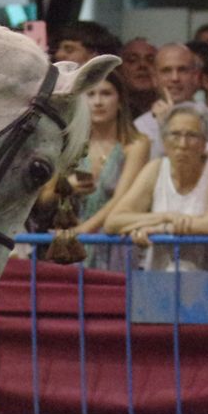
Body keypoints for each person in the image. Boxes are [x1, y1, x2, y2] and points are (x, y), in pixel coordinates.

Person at [42, 70, 149, 270]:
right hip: (69, 246)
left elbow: (122, 198)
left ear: (120, 101)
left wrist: (84, 231)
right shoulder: (69, 143)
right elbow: (43, 198)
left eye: (106, 94)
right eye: (90, 94)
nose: (98, 102)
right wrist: (67, 186)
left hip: (115, 242)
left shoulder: (136, 144)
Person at [107, 103, 208, 272]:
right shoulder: (156, 168)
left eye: (192, 135)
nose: (183, 143)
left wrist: (158, 230)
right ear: (164, 141)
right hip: (159, 281)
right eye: (175, 134)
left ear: (205, 142)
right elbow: (113, 222)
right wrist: (167, 217)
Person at [134, 43, 208, 166]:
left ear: (195, 76)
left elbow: (207, 177)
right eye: (166, 71)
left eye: (182, 70)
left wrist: (166, 126)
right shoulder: (138, 127)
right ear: (155, 78)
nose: (175, 78)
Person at [118, 37, 160, 119]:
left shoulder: (173, 109)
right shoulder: (110, 111)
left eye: (151, 60)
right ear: (119, 68)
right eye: (132, 60)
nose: (142, 65)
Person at [51, 22, 121, 66]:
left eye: (69, 50)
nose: (58, 54)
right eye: (56, 49)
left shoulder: (104, 87)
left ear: (93, 54)